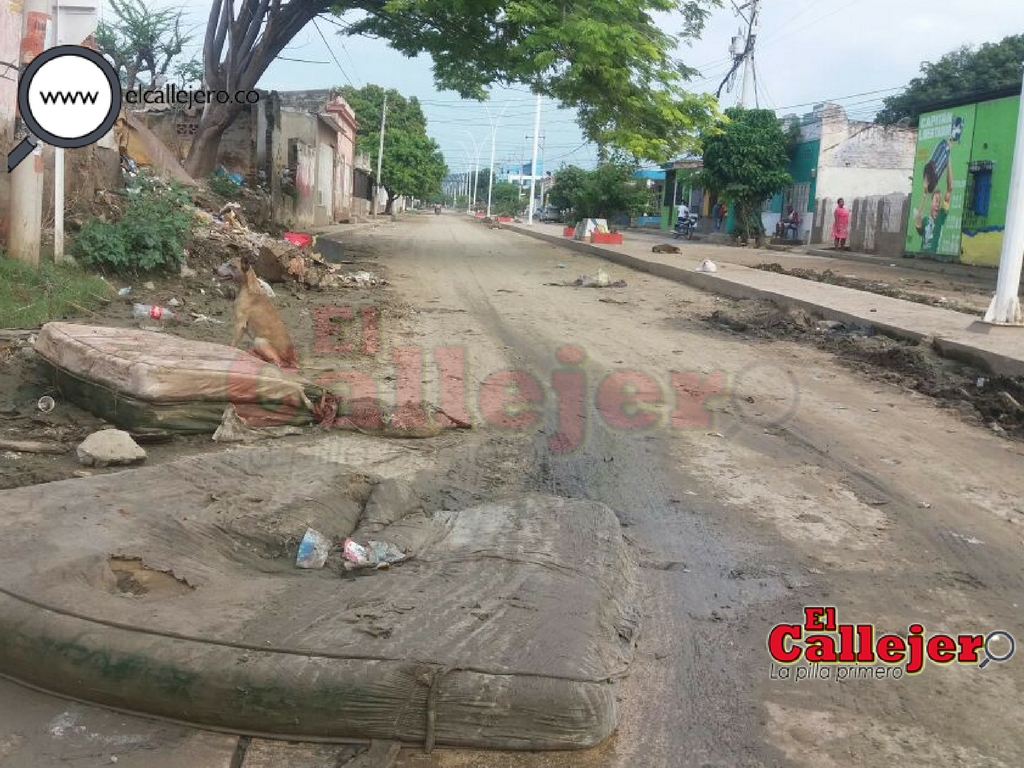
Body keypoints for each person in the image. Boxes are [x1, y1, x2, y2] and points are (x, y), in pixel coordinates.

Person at [914, 157, 953, 255]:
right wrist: (924, 194)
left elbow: (949, 189)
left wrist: (948, 163)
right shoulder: (925, 220)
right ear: (931, 202)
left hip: (933, 258)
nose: (938, 204)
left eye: (939, 202)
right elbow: (918, 221)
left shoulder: (941, 217)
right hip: (922, 256)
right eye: (936, 201)